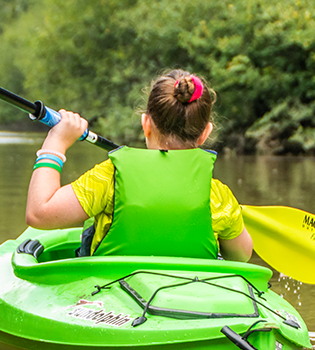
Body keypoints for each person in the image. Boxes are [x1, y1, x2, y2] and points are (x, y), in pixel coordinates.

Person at [25, 70, 253, 262]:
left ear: (146, 124)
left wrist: (57, 141)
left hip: (107, 293)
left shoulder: (111, 176)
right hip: (190, 295)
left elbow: (39, 213)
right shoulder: (218, 197)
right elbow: (241, 256)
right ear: (205, 133)